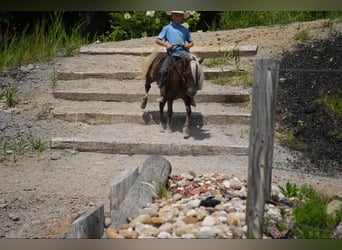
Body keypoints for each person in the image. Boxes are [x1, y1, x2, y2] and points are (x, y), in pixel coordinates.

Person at [155, 11, 196, 106]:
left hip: (184, 55)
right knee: (162, 71)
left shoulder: (184, 29)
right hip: (171, 54)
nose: (178, 17)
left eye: (180, 16)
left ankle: (191, 95)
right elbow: (157, 40)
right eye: (176, 15)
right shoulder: (167, 28)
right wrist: (167, 45)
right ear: (172, 16)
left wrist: (188, 45)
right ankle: (162, 92)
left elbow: (191, 42)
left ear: (183, 17)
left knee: (193, 72)